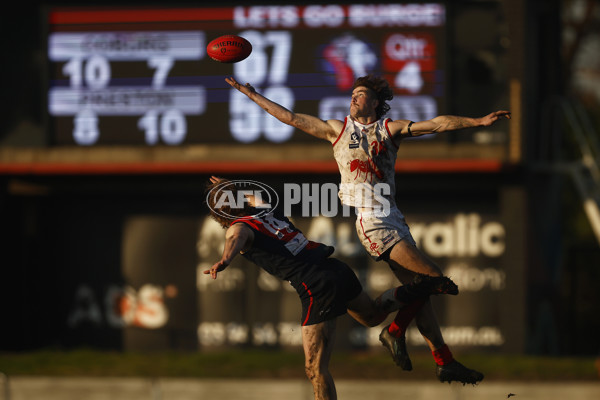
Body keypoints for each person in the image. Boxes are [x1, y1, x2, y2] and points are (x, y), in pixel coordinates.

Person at [226, 75, 511, 385]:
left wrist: (478, 122)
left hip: (394, 218)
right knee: (433, 279)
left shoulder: (389, 129)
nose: (354, 98)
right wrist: (253, 95)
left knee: (421, 294)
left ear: (376, 102)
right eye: (352, 93)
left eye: (361, 94)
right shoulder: (338, 130)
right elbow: (291, 117)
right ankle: (394, 331)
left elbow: (438, 124)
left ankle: (445, 361)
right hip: (373, 221)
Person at [203, 176, 458, 400]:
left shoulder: (238, 227)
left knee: (315, 369)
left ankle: (420, 286)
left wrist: (225, 259)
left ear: (219, 215)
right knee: (372, 316)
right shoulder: (264, 207)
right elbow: (253, 197)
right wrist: (231, 187)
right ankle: (417, 288)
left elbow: (236, 238)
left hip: (315, 285)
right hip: (335, 269)